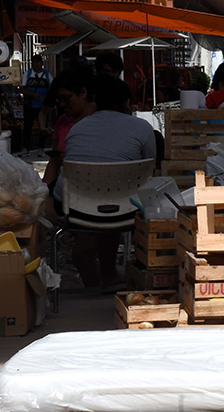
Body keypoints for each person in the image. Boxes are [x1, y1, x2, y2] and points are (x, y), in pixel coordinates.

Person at [60, 74, 157, 288]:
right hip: (125, 211)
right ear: (127, 103)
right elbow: (151, 169)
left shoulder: (77, 129)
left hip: (77, 210)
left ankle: (95, 272)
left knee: (100, 196)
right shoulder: (142, 128)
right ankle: (109, 272)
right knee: (118, 196)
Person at [41, 66, 98, 194]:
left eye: (66, 98)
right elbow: (54, 162)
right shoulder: (63, 121)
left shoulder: (102, 121)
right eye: (59, 100)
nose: (61, 104)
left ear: (83, 93)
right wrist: (42, 193)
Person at [21, 55, 53, 151]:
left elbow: (52, 89)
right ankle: (26, 147)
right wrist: (31, 94)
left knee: (42, 127)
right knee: (27, 127)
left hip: (42, 107)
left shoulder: (48, 75)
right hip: (30, 105)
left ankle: (41, 148)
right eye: (34, 62)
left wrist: (46, 96)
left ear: (41, 63)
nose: (36, 64)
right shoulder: (27, 74)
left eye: (38, 62)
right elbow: (22, 89)